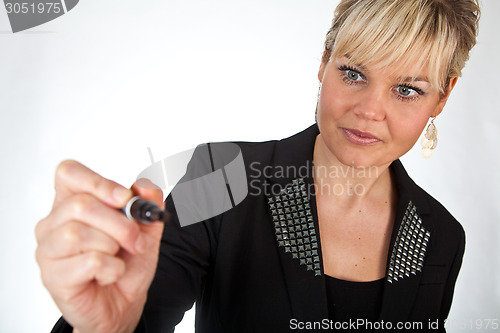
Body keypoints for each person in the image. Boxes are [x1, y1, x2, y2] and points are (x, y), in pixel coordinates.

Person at [36, 0, 481, 332]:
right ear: (324, 61)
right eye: (354, 73)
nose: (370, 110)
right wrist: (105, 328)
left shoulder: (442, 235)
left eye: (406, 90)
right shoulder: (220, 176)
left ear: (442, 97)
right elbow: (132, 312)